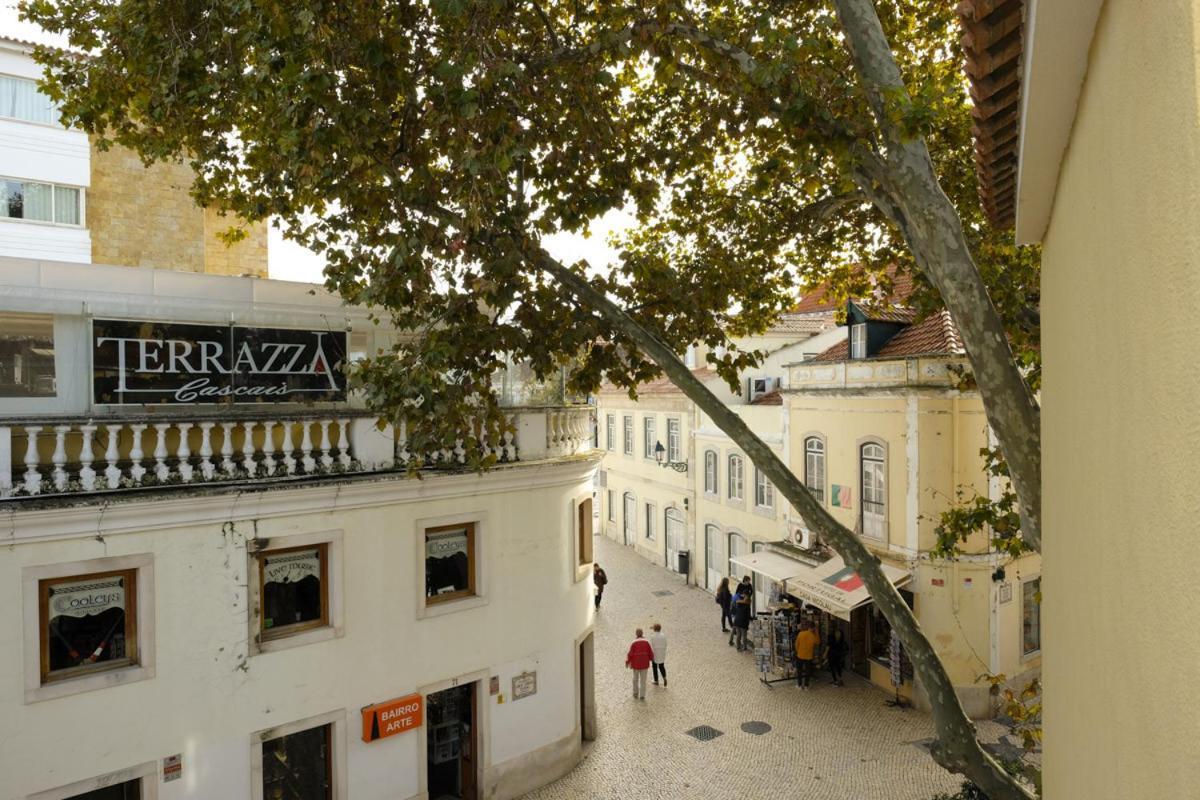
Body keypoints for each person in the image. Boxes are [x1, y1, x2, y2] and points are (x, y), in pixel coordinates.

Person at [626, 628, 654, 699]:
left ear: (636, 634)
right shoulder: (646, 642)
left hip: (636, 664)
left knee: (635, 679)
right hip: (644, 664)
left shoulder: (634, 643)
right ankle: (642, 695)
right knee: (643, 680)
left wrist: (627, 661)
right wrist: (651, 659)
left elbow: (630, 654)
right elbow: (650, 652)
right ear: (642, 633)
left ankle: (635, 693)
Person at [794, 620, 821, 690]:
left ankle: (799, 685)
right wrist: (816, 632)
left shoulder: (801, 634)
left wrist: (798, 651)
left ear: (808, 627)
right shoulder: (813, 635)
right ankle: (806, 685)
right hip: (809, 656)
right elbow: (818, 642)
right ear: (813, 628)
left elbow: (796, 645)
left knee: (799, 670)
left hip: (800, 655)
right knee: (807, 671)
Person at [729, 584, 752, 651]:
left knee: (738, 635)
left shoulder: (739, 602)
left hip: (737, 620)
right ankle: (744, 647)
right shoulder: (747, 605)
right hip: (743, 622)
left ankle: (738, 647)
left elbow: (737, 604)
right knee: (744, 635)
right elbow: (748, 615)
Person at [648, 622, 668, 687]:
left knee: (654, 667)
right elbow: (665, 644)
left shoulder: (652, 636)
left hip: (655, 653)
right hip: (661, 652)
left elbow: (650, 646)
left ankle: (656, 680)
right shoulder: (663, 635)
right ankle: (664, 677)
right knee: (661, 666)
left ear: (654, 629)